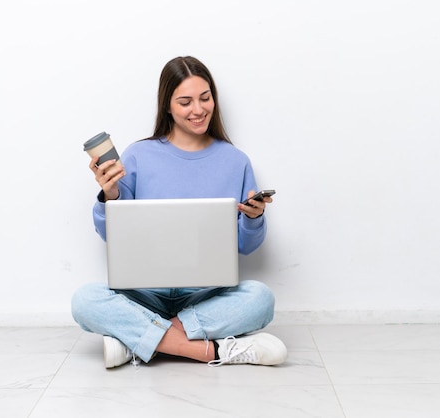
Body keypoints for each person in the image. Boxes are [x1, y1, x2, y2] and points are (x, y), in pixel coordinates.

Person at [71, 56, 287, 368]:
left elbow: (246, 246)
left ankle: (139, 342)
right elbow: (111, 235)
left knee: (260, 299)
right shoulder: (138, 155)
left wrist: (253, 219)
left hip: (205, 296)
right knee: (85, 300)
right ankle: (211, 351)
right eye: (185, 102)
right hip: (144, 294)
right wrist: (110, 195)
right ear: (167, 106)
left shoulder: (235, 161)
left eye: (205, 98)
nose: (198, 110)